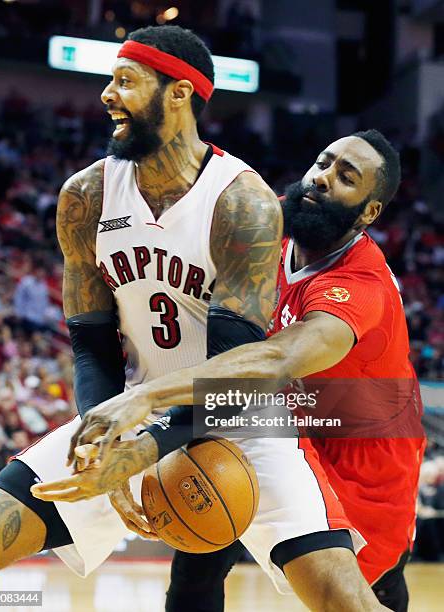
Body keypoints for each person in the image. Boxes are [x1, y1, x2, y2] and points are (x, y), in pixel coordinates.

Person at [35, 130, 425, 612]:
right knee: (199, 536)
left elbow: (277, 358)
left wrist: (146, 396)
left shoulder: (362, 283)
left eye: (346, 178)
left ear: (369, 212)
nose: (323, 178)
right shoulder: (265, 217)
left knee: (360, 592)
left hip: (361, 445)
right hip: (277, 411)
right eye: (323, 162)